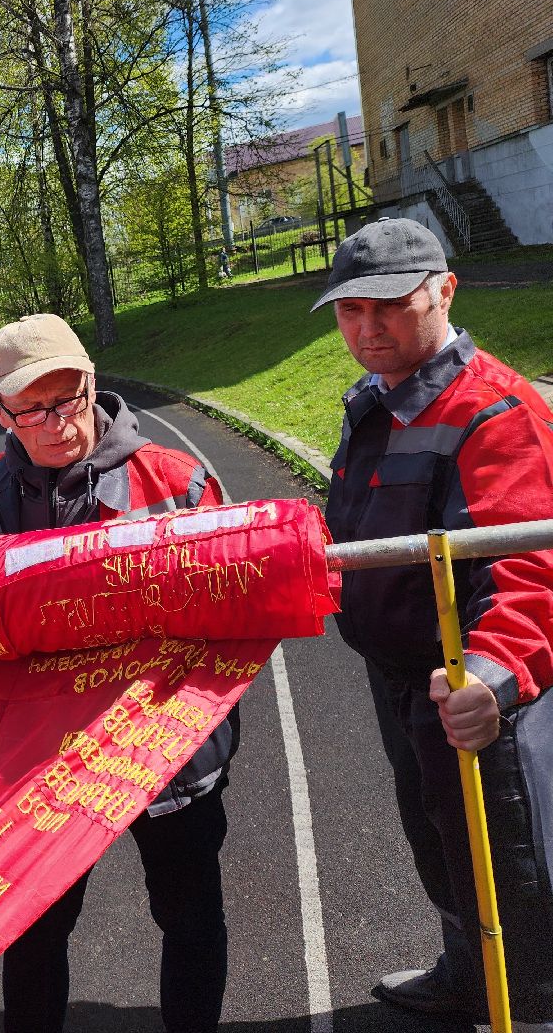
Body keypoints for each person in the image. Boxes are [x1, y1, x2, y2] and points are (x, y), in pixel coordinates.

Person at [0, 313, 233, 1033]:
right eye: (31, 410)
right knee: (32, 930)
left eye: (68, 399)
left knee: (189, 915)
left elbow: (240, 608)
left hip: (167, 757)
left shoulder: (176, 480)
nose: (56, 424)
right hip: (35, 767)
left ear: (90, 380)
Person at [314, 216, 553, 1026]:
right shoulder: (377, 401)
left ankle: (529, 1008)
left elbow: (529, 569)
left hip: (478, 697)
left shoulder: (494, 410)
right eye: (351, 310)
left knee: (510, 866)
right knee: (436, 835)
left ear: (445, 291)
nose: (368, 328)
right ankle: (465, 972)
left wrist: (490, 678)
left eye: (390, 305)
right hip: (404, 680)